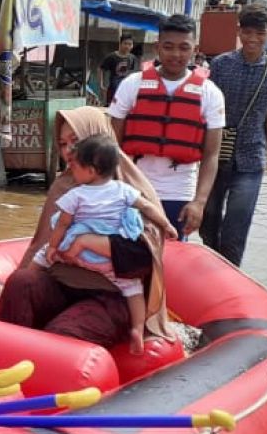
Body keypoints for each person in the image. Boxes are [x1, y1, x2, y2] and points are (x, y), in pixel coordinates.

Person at [0, 107, 173, 349]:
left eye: (76, 143)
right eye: (63, 144)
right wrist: (8, 289)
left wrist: (88, 242)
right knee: (21, 282)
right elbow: (42, 244)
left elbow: (144, 254)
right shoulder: (63, 187)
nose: (68, 152)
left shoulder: (130, 189)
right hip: (61, 285)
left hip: (109, 295)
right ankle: (1, 362)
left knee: (63, 336)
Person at [31, 135, 178, 354]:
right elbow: (147, 207)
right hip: (108, 259)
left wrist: (52, 248)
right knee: (132, 288)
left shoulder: (76, 195)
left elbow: (62, 224)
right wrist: (167, 225)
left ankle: (34, 272)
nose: (70, 168)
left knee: (42, 255)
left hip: (77, 255)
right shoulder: (123, 190)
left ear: (91, 170)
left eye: (75, 165)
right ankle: (137, 329)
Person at [108, 14, 225, 238]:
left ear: (195, 49)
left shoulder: (210, 93)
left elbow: (211, 155)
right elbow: (113, 144)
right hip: (133, 186)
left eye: (184, 48)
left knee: (171, 254)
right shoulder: (132, 84)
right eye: (168, 47)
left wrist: (199, 203)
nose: (176, 55)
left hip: (180, 192)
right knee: (126, 253)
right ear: (157, 47)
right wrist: (113, 187)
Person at [201, 4, 267, 266]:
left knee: (237, 227)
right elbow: (205, 112)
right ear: (239, 31)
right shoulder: (221, 65)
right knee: (208, 221)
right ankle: (214, 265)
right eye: (247, 32)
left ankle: (228, 276)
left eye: (259, 33)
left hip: (252, 159)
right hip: (216, 156)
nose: (252, 39)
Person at [98, 33, 139, 106]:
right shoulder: (111, 57)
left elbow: (133, 74)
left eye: (130, 44)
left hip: (127, 90)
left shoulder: (132, 58)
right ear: (120, 44)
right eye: (125, 43)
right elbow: (100, 69)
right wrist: (101, 84)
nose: (127, 46)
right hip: (113, 90)